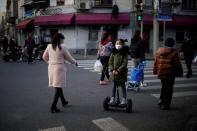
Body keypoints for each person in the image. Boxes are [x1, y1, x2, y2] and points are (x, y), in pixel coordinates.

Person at [42, 33, 78, 113]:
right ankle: (53, 106)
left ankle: (63, 101)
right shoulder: (62, 47)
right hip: (59, 69)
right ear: (59, 39)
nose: (63, 41)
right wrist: (75, 62)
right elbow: (69, 58)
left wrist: (49, 63)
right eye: (62, 39)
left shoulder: (49, 46)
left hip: (51, 68)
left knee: (58, 86)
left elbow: (44, 57)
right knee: (58, 87)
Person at [153, 38, 183, 110]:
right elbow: (177, 64)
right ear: (172, 44)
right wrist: (180, 72)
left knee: (164, 87)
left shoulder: (159, 51)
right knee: (169, 89)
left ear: (165, 44)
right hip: (170, 73)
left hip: (161, 72)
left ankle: (161, 100)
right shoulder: (174, 52)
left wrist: (155, 71)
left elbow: (156, 62)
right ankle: (165, 104)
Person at [108, 39, 129, 105]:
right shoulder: (113, 52)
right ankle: (113, 98)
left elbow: (124, 63)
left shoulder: (125, 53)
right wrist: (112, 70)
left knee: (123, 86)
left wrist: (118, 70)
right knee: (114, 85)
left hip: (122, 72)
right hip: (114, 72)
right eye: (116, 43)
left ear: (122, 45)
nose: (117, 45)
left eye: (119, 44)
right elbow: (110, 62)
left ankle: (124, 99)